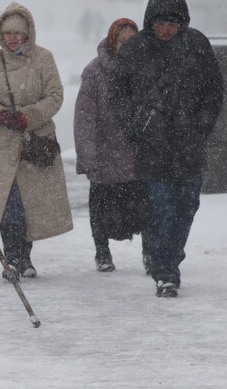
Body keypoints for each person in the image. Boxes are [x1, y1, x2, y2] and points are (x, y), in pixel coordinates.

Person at [109, 0, 224, 298]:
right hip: (152, 147)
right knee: (160, 208)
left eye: (172, 24)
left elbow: (214, 91)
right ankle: (164, 271)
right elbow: (118, 93)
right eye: (160, 23)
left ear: (182, 23)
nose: (165, 30)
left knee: (187, 206)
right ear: (150, 21)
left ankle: (171, 258)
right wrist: (135, 126)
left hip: (189, 146)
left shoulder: (196, 45)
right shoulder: (135, 49)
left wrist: (201, 126)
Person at [0, 2, 73, 280]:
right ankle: (13, 258)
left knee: (29, 205)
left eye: (18, 33)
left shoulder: (43, 58)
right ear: (0, 34)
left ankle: (24, 257)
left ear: (28, 34)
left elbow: (55, 95)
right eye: (7, 33)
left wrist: (29, 116)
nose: (13, 38)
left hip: (33, 144)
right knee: (7, 205)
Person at [74, 18, 150, 273]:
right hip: (106, 155)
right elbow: (84, 118)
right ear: (112, 42)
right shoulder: (94, 72)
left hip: (137, 154)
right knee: (102, 208)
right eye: (122, 41)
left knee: (145, 209)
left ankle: (149, 252)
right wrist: (88, 156)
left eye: (132, 41)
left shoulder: (147, 68)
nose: (127, 47)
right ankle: (102, 251)